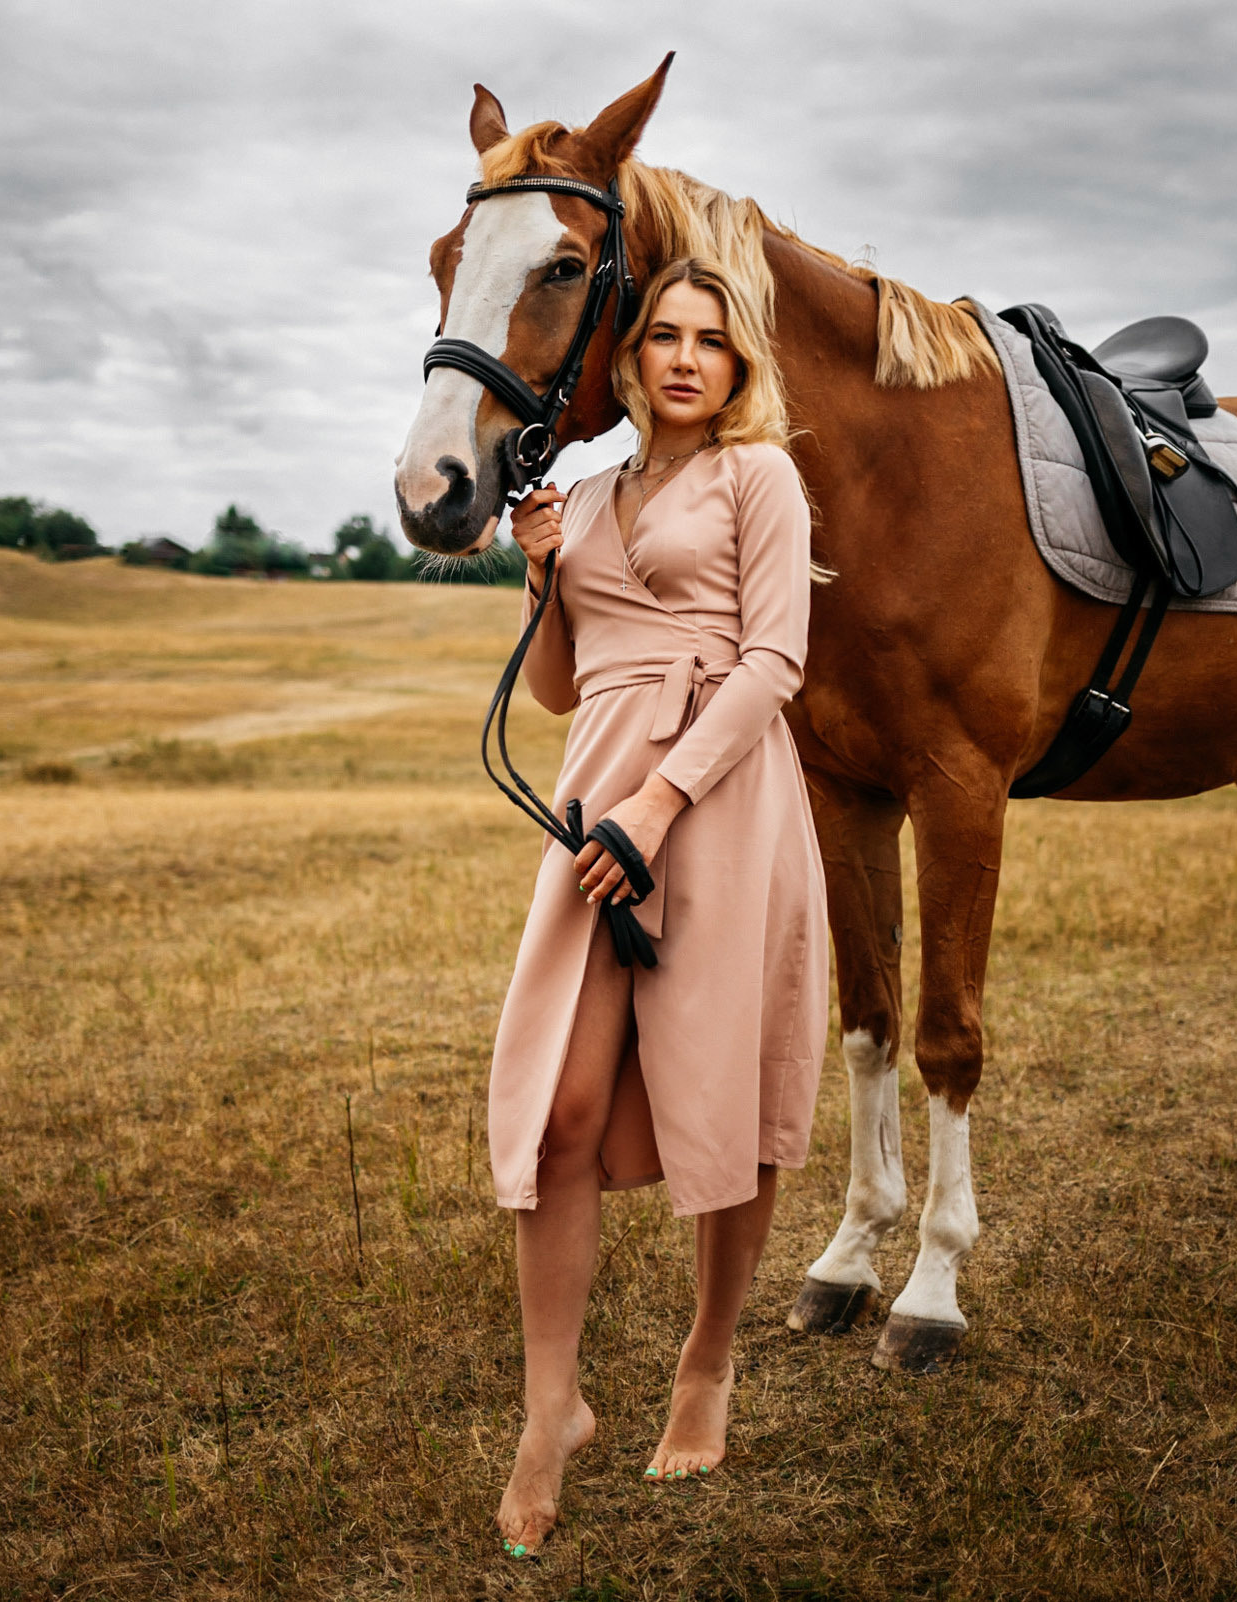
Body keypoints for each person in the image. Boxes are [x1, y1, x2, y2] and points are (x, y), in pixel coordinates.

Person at [488, 256, 828, 1558]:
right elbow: (562, 690)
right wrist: (538, 578)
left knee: (725, 1097)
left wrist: (662, 804)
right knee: (559, 1105)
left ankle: (709, 1355)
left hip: (720, 795)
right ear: (629, 361)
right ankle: (550, 1405)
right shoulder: (576, 496)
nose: (685, 357)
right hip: (594, 797)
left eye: (712, 341)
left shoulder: (761, 478)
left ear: (737, 367)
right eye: (665, 338)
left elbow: (775, 660)